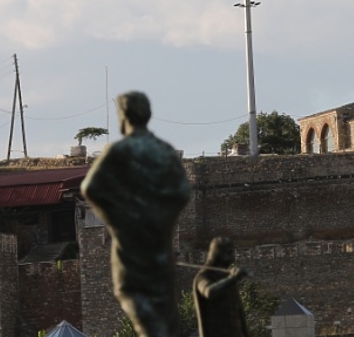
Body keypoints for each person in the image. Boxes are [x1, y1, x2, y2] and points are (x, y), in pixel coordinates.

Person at [82, 91, 192, 337]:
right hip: (160, 249)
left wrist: (118, 222)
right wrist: (162, 221)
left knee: (144, 316)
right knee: (166, 318)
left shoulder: (120, 151)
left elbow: (91, 188)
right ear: (148, 115)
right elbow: (183, 192)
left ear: (123, 116)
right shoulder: (164, 151)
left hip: (131, 251)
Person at [193, 237, 249, 337]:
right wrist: (232, 279)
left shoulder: (227, 278)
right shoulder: (204, 276)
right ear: (218, 254)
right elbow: (208, 291)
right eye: (229, 252)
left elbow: (239, 311)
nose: (233, 256)